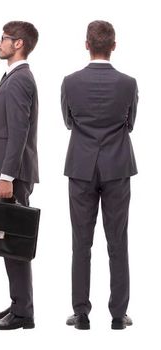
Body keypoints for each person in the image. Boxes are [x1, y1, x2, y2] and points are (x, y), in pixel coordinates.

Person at [61, 20, 136, 331]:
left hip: (81, 167)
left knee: (81, 242)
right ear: (113, 46)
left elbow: (67, 121)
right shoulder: (128, 83)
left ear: (86, 44)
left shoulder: (70, 82)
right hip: (117, 166)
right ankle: (118, 316)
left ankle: (81, 314)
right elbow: (130, 123)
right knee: (118, 241)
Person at [0, 20, 39, 331]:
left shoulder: (19, 80)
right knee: (9, 240)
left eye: (3, 38)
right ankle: (20, 304)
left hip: (12, 174)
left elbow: (19, 132)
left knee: (14, 242)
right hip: (9, 171)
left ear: (18, 43)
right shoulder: (14, 77)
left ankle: (23, 313)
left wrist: (6, 176)